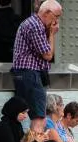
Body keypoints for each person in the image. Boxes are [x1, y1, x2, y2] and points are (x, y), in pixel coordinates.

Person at [11, 0, 60, 134]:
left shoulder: (33, 23)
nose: (57, 21)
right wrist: (51, 34)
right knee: (39, 119)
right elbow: (48, 54)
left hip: (27, 74)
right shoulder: (35, 26)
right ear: (47, 13)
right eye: (56, 16)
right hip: (30, 74)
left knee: (26, 115)